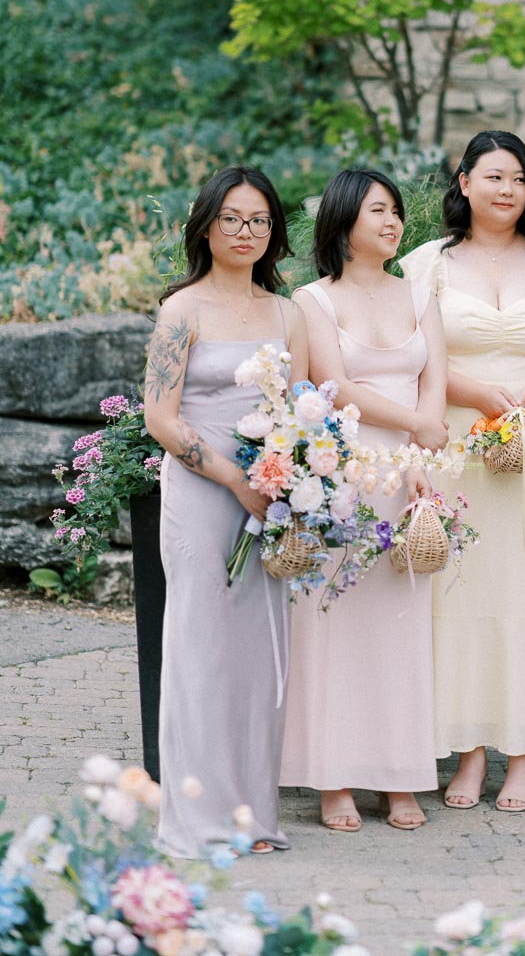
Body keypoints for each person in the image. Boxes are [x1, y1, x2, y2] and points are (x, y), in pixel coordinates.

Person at [401, 131, 525, 812]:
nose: (506, 189)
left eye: (518, 178)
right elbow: (412, 353)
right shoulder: (427, 265)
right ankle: (469, 752)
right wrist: (473, 393)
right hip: (455, 441)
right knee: (459, 593)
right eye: (492, 177)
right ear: (463, 182)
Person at [144, 165, 308, 857]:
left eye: (260, 220)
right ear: (207, 224)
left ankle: (251, 817)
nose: (246, 231)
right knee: (201, 652)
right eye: (233, 218)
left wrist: (290, 479)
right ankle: (196, 819)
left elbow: (299, 413)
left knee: (256, 657)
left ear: (273, 231)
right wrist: (231, 480)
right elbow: (159, 416)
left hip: (265, 495)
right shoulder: (182, 310)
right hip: (201, 495)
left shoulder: (285, 311)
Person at [280, 169, 448, 832]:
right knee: (335, 625)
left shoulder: (420, 294)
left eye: (395, 211)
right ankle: (334, 777)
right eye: (377, 210)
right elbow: (335, 384)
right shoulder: (312, 300)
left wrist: (423, 449)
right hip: (343, 473)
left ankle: (399, 776)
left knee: (401, 627)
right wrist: (414, 428)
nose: (392, 221)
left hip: (411, 473)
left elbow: (433, 378)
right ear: (344, 222)